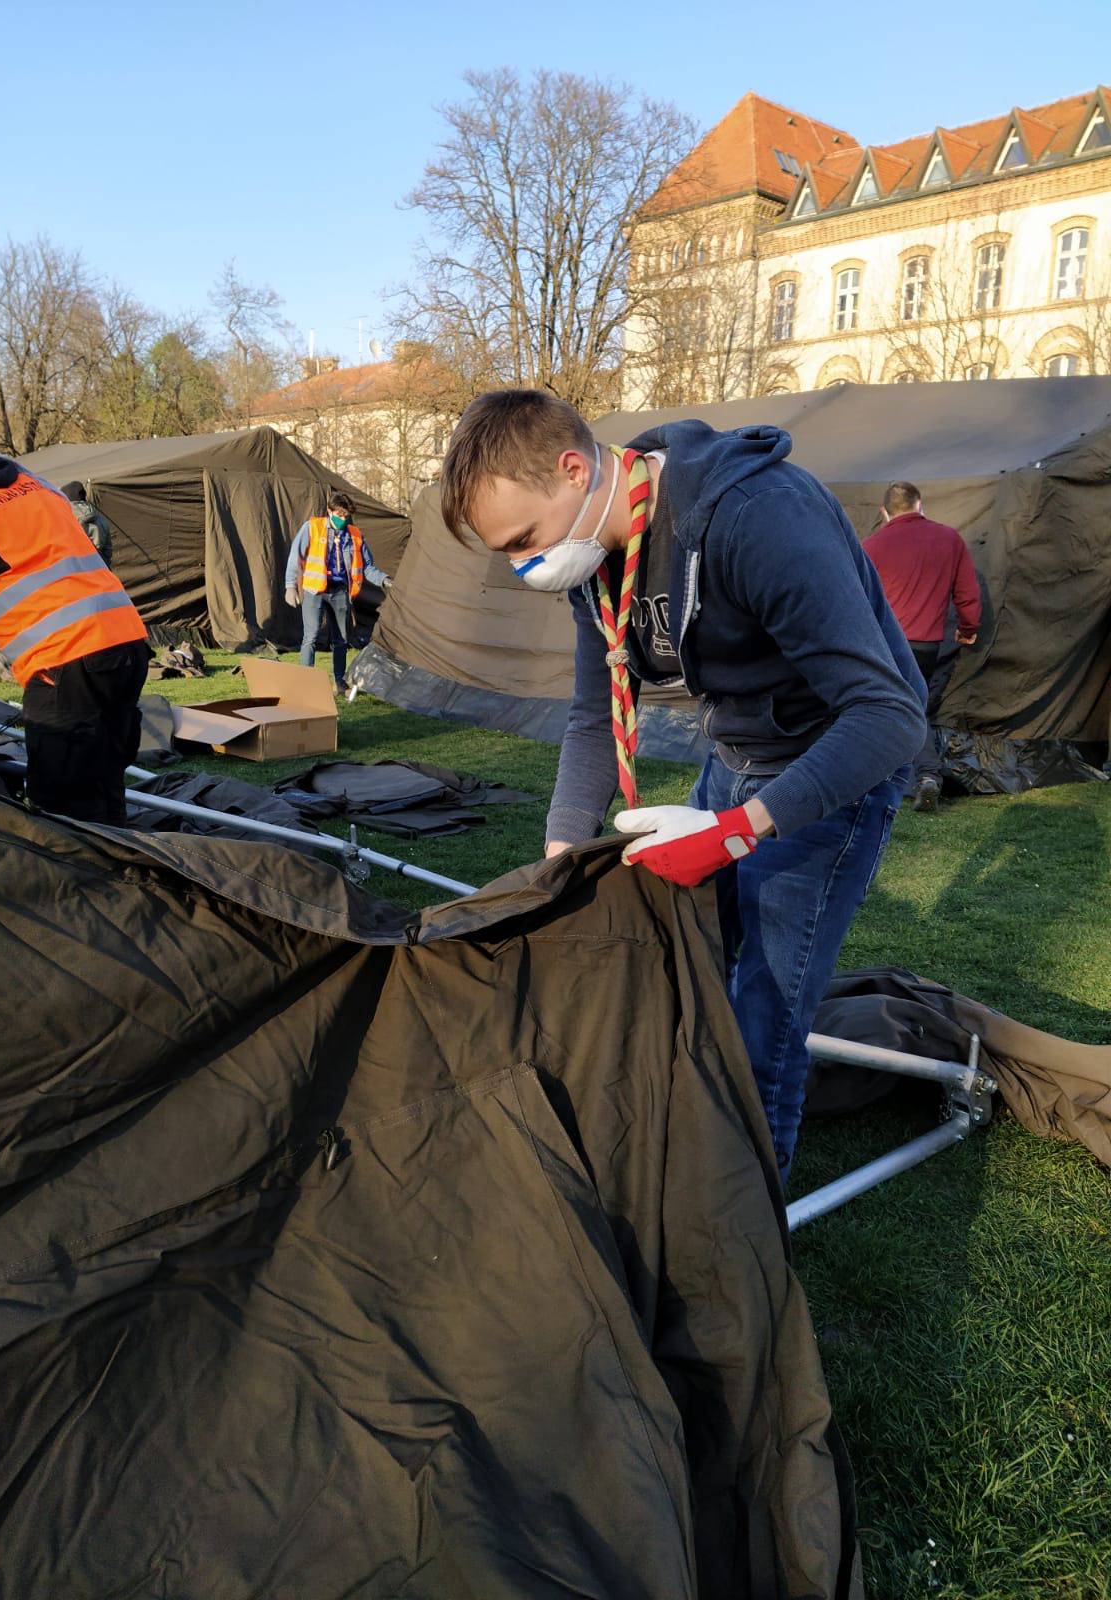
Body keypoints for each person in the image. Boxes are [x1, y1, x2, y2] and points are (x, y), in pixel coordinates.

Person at [439, 389, 926, 1183]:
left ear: (574, 469)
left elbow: (890, 719)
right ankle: (691, 1162)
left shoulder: (754, 515)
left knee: (764, 1015)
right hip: (735, 754)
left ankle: (742, 1239)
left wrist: (739, 829)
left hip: (830, 769)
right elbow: (596, 717)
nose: (527, 565)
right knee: (697, 966)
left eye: (525, 540)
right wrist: (561, 854)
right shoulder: (592, 556)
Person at [0, 386, 150, 824]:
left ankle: (85, 887)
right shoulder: (24, 479)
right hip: (126, 645)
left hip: (67, 661)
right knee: (103, 791)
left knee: (63, 811)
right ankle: (118, 883)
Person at [865, 481, 981, 812]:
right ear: (920, 505)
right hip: (927, 645)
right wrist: (968, 628)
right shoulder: (949, 539)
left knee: (891, 708)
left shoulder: (872, 546)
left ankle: (920, 776)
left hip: (886, 644)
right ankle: (924, 776)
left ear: (884, 512)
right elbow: (967, 594)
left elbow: (858, 598)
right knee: (914, 707)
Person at [284, 490, 389, 692]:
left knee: (341, 639)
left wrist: (384, 580)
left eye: (346, 515)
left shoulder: (355, 536)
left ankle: (340, 682)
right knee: (311, 636)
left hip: (340, 592)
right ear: (329, 511)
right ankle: (306, 682)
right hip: (314, 590)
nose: (343, 518)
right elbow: (295, 557)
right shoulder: (312, 528)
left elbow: (367, 566)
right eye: (339, 514)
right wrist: (290, 586)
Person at [61, 480, 113, 564]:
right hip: (101, 569)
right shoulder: (100, 519)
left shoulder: (66, 519)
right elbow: (108, 551)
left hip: (79, 570)